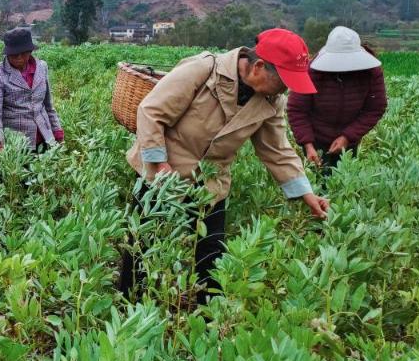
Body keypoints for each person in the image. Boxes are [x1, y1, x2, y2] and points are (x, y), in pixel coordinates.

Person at [122, 28, 330, 303]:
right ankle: (130, 304)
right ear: (258, 67)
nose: (286, 90)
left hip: (211, 181)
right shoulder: (204, 69)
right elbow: (151, 111)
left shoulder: (272, 101)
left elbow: (277, 150)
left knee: (211, 253)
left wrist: (306, 193)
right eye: (283, 82)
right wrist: (160, 164)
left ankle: (209, 316)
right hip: (164, 170)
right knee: (142, 242)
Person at [287, 26, 387, 171]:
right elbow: (297, 110)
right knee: (316, 178)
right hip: (315, 138)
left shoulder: (371, 72)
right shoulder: (312, 71)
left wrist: (348, 137)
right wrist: (308, 145)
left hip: (350, 139)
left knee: (344, 177)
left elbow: (375, 108)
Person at [0, 27, 63, 156]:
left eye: (23, 53)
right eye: (14, 54)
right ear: (7, 53)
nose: (19, 57)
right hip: (16, 143)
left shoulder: (42, 67)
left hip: (44, 137)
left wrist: (57, 130)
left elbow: (48, 105)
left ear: (30, 51)